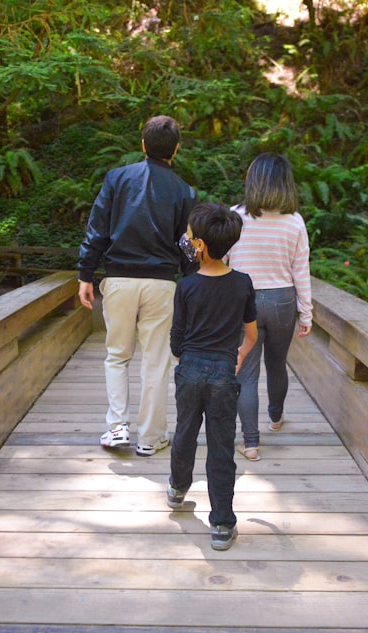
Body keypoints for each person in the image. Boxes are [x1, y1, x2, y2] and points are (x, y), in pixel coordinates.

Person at [77, 115, 197, 457]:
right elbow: (187, 244)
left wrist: (86, 273)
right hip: (161, 284)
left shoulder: (117, 179)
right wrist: (192, 280)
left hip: (118, 279)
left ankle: (117, 428)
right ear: (176, 149)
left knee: (117, 355)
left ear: (143, 145)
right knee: (156, 361)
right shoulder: (184, 191)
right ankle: (151, 437)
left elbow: (97, 228)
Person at [166, 202, 257, 551]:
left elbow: (176, 340)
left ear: (199, 245)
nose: (186, 241)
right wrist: (238, 357)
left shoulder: (186, 286)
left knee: (185, 431)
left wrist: (186, 355)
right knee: (221, 447)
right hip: (223, 373)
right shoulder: (243, 284)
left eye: (190, 236)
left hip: (189, 370)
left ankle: (177, 488)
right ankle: (221, 523)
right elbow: (251, 334)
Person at [226, 153, 313, 462]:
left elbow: (221, 262)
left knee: (246, 374)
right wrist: (307, 312)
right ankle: (275, 418)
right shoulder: (295, 221)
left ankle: (250, 443)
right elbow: (300, 270)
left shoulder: (234, 216)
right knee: (277, 364)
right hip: (282, 301)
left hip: (243, 301)